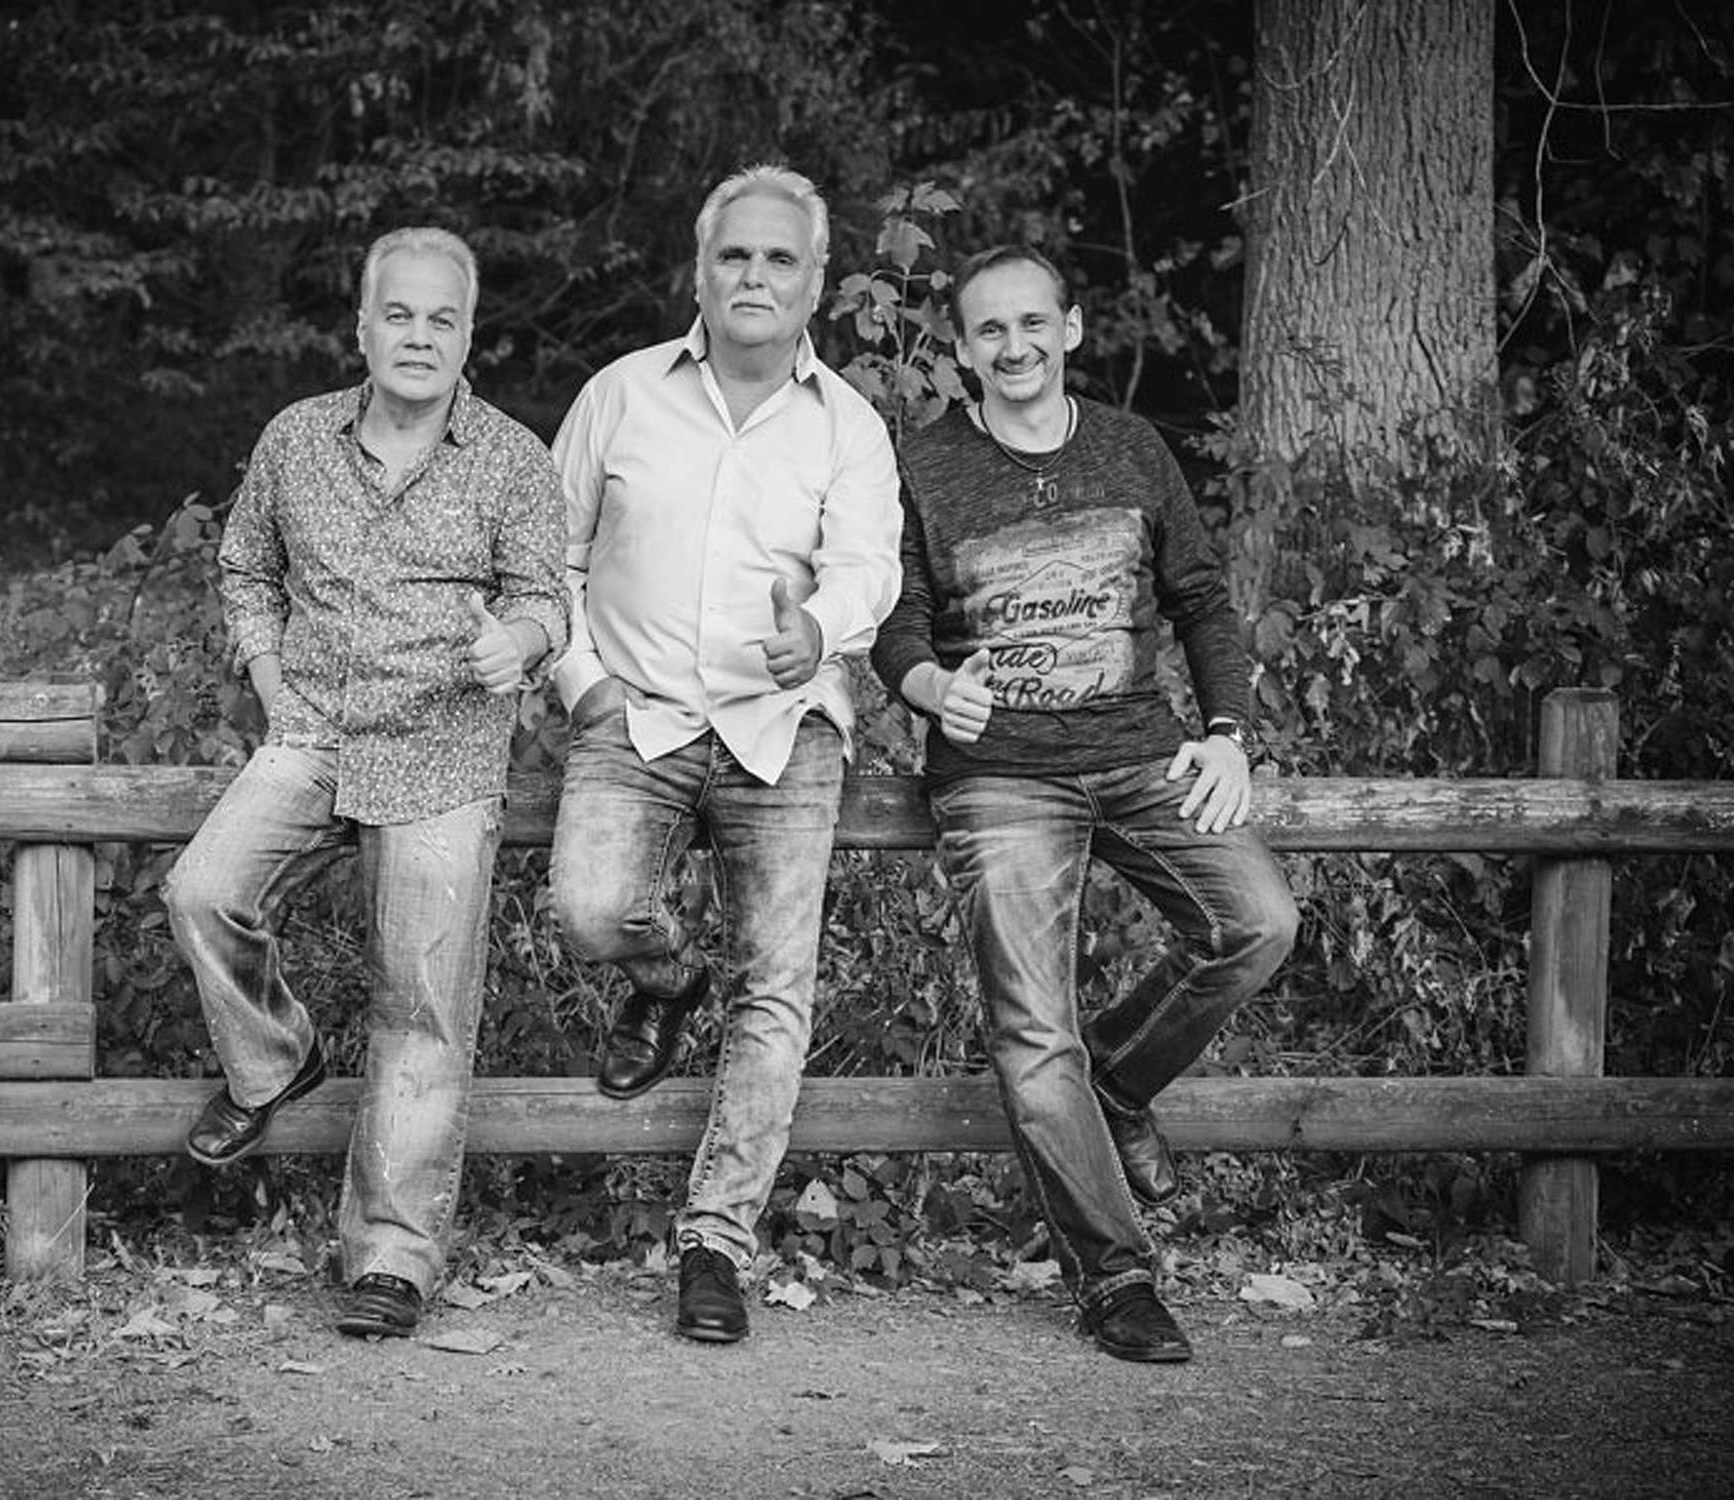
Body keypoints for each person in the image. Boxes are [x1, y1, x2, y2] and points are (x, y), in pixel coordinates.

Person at [871, 244, 1298, 1364]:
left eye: (1032, 323)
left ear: (1068, 329)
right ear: (963, 350)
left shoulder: (1133, 447)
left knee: (1257, 923)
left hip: (1142, 755)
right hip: (999, 774)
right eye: (989, 330)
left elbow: (1200, 602)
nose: (1013, 346)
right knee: (1031, 1028)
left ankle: (1112, 1079)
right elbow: (893, 624)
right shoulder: (922, 464)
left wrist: (1229, 733)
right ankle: (1116, 1278)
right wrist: (931, 687)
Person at [164, 226, 567, 1341]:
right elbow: (247, 565)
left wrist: (519, 642)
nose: (419, 337)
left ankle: (391, 1256)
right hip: (313, 733)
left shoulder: (511, 458)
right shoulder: (297, 438)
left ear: (469, 336)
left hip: (443, 748)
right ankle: (274, 1060)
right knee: (202, 891)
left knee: (421, 1004)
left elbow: (547, 597)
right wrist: (266, 674)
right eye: (400, 314)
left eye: (443, 319)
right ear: (362, 327)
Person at [548, 164, 903, 1343]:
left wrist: (822, 629)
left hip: (781, 729)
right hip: (638, 714)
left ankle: (715, 1241)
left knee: (776, 988)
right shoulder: (619, 394)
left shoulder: (848, 426)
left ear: (816, 283)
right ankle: (667, 980)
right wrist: (584, 684)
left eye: (780, 258)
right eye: (735, 254)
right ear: (699, 271)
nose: (755, 275)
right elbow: (547, 557)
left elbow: (869, 568)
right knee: (591, 908)